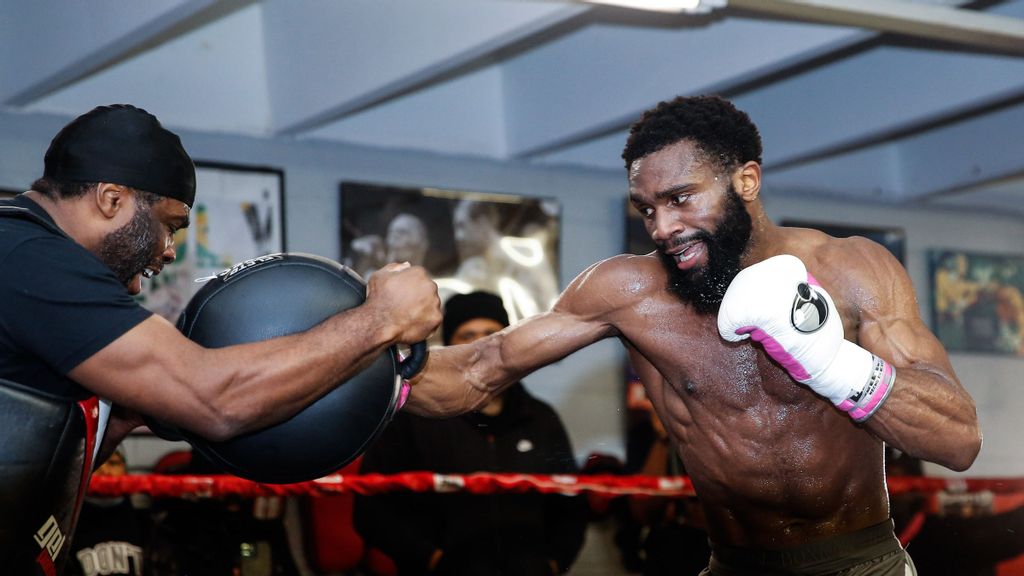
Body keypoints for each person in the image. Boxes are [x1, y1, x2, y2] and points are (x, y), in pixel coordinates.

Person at [405, 95, 982, 575]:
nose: (663, 227)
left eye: (681, 199)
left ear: (747, 180)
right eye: (646, 209)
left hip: (861, 560)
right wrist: (372, 345)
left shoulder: (853, 270)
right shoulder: (628, 292)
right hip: (732, 564)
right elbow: (479, 370)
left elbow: (957, 440)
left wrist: (831, 361)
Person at [0, 104, 442, 575]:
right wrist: (381, 320)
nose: (169, 251)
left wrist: (127, 417)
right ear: (111, 199)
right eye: (169, 225)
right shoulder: (25, 254)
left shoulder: (31, 257)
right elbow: (215, 400)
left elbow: (45, 452)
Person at [355, 291, 588, 575]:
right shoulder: (414, 418)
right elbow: (370, 510)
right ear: (449, 346)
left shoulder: (542, 418)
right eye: (467, 335)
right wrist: (434, 561)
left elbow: (571, 506)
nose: (482, 344)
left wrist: (551, 564)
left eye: (493, 333)